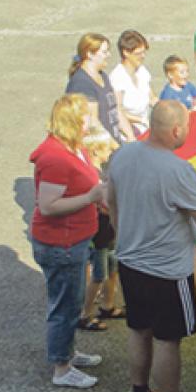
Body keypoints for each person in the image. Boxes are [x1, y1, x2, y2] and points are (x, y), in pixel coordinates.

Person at [107, 100, 196, 392]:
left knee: (138, 329)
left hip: (129, 260)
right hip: (168, 271)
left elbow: (111, 202)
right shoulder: (178, 171)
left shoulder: (122, 156)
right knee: (168, 339)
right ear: (176, 130)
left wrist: (123, 238)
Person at [30, 94, 106, 388]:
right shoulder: (55, 157)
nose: (89, 119)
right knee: (65, 305)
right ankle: (61, 368)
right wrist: (90, 197)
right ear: (71, 121)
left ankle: (67, 353)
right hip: (60, 244)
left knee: (71, 301)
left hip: (74, 239)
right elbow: (48, 205)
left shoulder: (73, 148)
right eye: (84, 115)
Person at [79, 128, 122, 332]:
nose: (110, 151)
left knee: (113, 269)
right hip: (100, 234)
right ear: (95, 151)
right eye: (107, 149)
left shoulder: (100, 172)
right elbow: (103, 204)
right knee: (99, 274)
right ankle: (85, 313)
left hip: (109, 232)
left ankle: (108, 305)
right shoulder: (91, 175)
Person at [66, 33, 135, 144]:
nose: (109, 55)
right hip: (98, 148)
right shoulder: (82, 84)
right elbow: (93, 123)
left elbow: (116, 109)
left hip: (113, 142)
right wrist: (114, 146)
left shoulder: (102, 76)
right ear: (90, 54)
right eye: (104, 52)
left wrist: (131, 136)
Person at [110, 30, 158, 135]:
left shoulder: (142, 70)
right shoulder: (117, 77)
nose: (143, 56)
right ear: (126, 53)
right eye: (138, 53)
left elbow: (152, 98)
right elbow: (117, 111)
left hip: (145, 127)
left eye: (144, 52)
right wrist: (141, 120)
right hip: (127, 132)